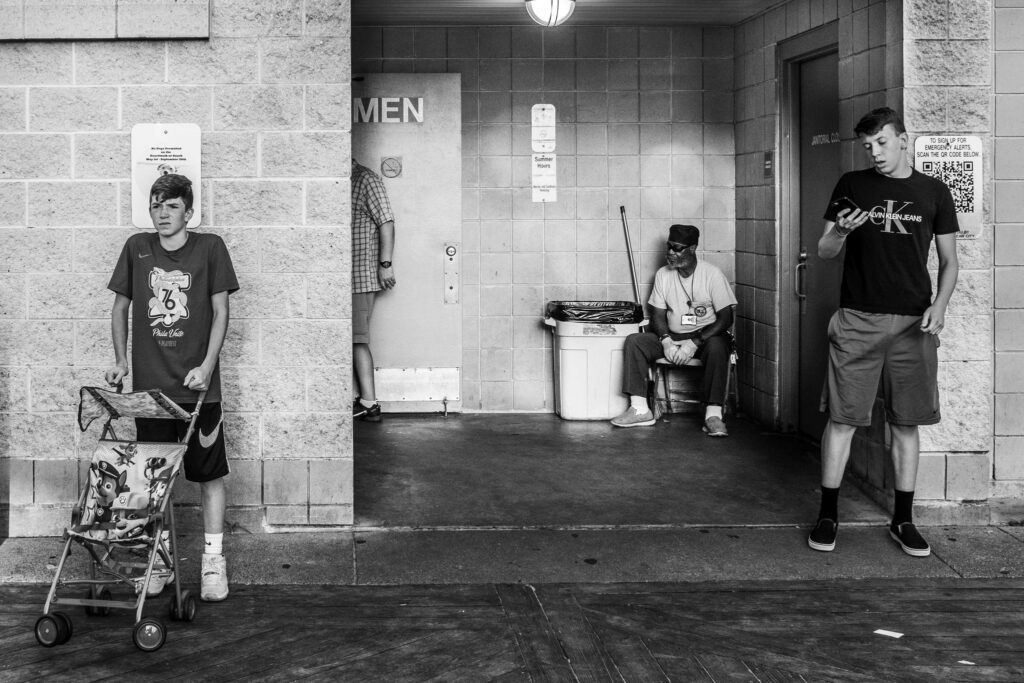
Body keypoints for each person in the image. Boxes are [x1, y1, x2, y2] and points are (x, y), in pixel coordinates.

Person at [807, 107, 959, 558]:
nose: (874, 152)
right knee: (842, 420)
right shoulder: (852, 186)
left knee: (906, 423)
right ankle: (829, 514)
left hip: (914, 323)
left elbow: (950, 262)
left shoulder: (934, 191)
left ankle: (903, 519)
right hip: (858, 318)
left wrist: (940, 305)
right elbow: (825, 249)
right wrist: (841, 232)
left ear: (903, 139)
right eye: (867, 145)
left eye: (882, 143)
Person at [106, 173, 239, 601]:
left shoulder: (210, 248)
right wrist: (122, 362)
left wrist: (206, 365)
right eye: (156, 205)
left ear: (189, 211)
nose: (162, 214)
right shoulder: (136, 248)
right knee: (151, 479)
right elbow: (120, 307)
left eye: (171, 206)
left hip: (199, 390)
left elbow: (221, 312)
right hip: (151, 392)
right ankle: (159, 560)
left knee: (208, 473)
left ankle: (213, 563)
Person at [610, 224, 737, 437]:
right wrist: (666, 340)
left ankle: (713, 415)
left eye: (677, 248)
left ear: (693, 248)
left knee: (718, 346)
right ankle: (640, 409)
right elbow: (657, 315)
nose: (670, 253)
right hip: (673, 336)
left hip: (705, 338)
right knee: (635, 341)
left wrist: (694, 342)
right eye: (669, 247)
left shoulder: (712, 275)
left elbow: (726, 318)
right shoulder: (663, 275)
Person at [351, 158, 396, 423]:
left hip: (359, 276)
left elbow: (386, 222)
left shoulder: (366, 179)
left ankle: (370, 403)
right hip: (345, 276)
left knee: (356, 338)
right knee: (352, 339)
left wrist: (386, 264)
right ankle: (364, 399)